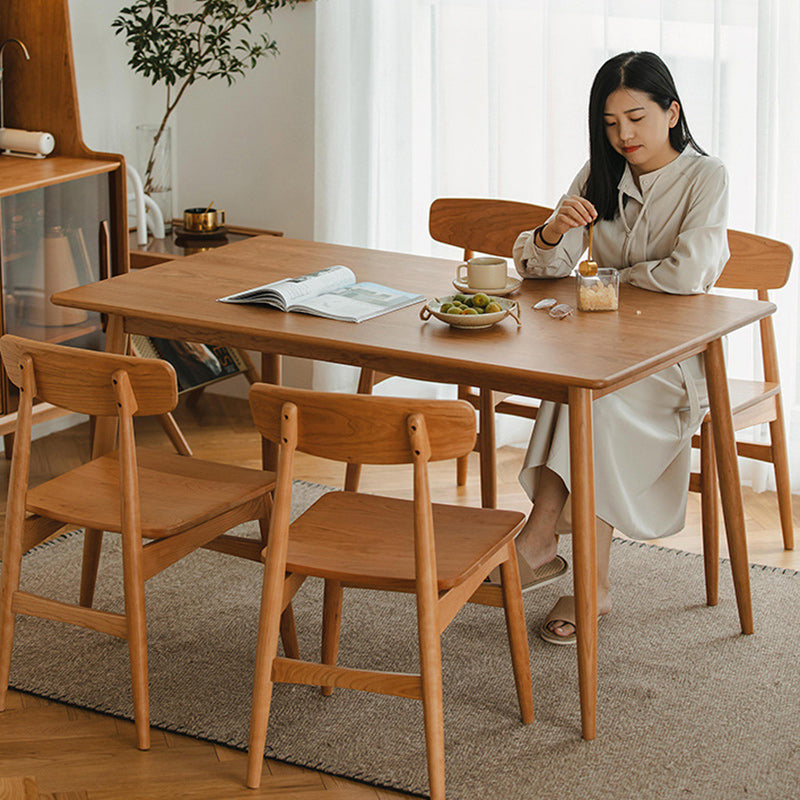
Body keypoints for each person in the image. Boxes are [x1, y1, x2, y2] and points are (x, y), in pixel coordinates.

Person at [511, 51, 729, 645]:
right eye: (610, 123)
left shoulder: (706, 177)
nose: (623, 135)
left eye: (635, 118)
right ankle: (554, 549)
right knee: (578, 385)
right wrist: (555, 229)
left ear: (672, 112)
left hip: (674, 362)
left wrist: (609, 276)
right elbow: (542, 269)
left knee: (593, 398)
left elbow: (689, 274)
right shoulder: (599, 173)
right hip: (601, 349)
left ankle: (558, 555)